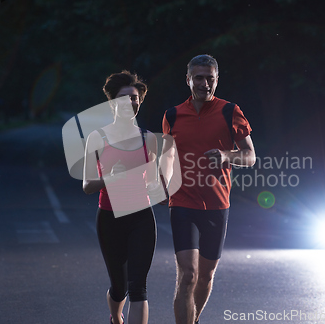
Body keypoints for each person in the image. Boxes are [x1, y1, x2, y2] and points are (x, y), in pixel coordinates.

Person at [160, 55, 256, 324]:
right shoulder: (173, 115)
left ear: (217, 80)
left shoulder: (230, 112)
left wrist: (227, 155)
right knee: (188, 274)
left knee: (206, 276)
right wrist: (162, 185)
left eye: (210, 78)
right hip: (182, 203)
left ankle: (194, 319)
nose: (205, 83)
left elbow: (250, 156)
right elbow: (167, 157)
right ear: (188, 79)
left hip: (217, 204)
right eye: (199, 78)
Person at [83, 71, 159, 324]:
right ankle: (116, 317)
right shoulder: (98, 138)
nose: (131, 103)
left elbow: (153, 184)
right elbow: (87, 185)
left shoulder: (148, 139)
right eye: (124, 98)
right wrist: (112, 178)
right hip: (110, 218)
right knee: (120, 286)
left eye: (135, 98)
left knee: (138, 286)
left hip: (141, 217)